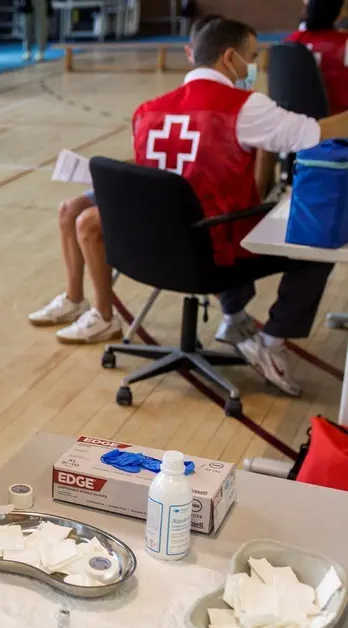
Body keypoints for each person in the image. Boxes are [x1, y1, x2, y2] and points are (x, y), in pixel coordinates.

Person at [131, 17, 348, 395]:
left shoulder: (147, 110)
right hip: (215, 250)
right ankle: (273, 340)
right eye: (251, 57)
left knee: (215, 212)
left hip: (153, 250)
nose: (253, 67)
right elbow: (315, 133)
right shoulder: (243, 106)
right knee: (317, 244)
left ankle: (234, 316)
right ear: (229, 58)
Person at [28, 14, 224, 345]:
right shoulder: (170, 103)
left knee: (90, 222)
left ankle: (106, 316)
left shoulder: (221, 105)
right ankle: (75, 299)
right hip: (157, 180)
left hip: (178, 196)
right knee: (69, 208)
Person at [286, 0, 348, 115]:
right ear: (338, 14)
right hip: (339, 121)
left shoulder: (292, 40)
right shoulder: (344, 42)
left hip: (301, 121)